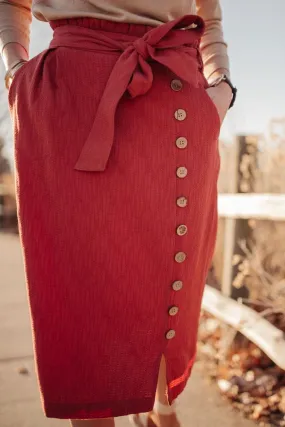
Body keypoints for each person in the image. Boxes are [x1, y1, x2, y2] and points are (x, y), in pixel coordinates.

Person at [0, 1, 236, 426]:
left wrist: (222, 86)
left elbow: (210, 12)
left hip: (174, 90)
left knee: (168, 272)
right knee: (81, 288)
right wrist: (15, 71)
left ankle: (161, 406)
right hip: (68, 98)